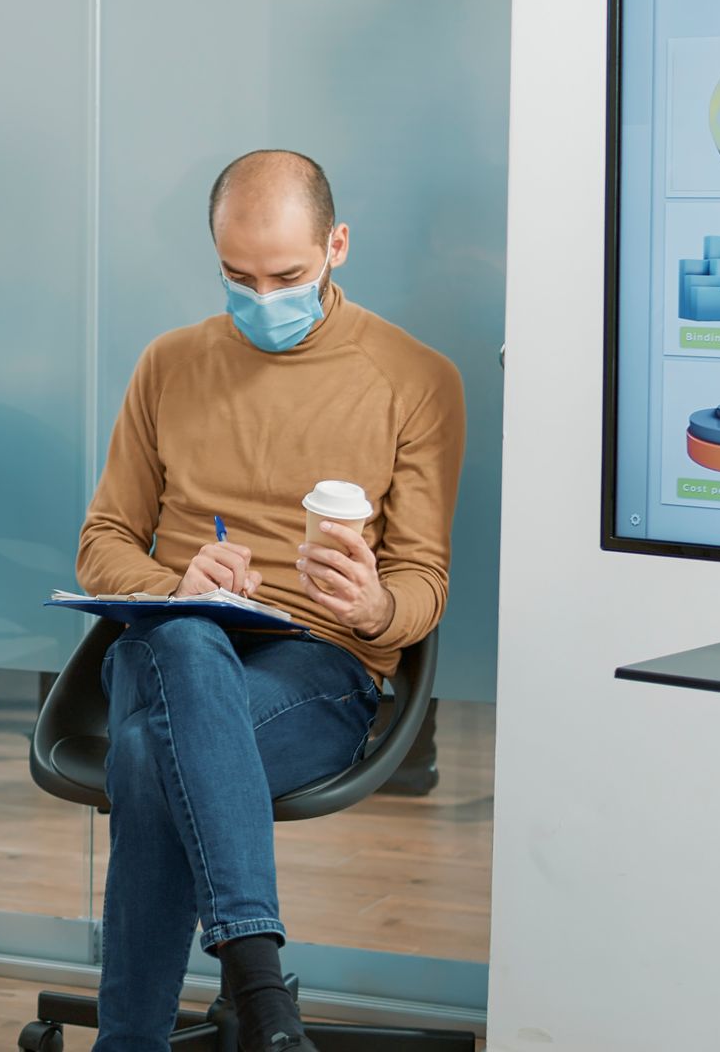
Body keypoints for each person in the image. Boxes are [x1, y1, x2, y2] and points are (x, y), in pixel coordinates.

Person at [76, 150, 466, 1052]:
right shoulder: (168, 365)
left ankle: (135, 1040)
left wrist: (372, 606)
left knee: (145, 755)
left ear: (336, 245)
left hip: (320, 667)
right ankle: (264, 999)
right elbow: (102, 545)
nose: (262, 297)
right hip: (170, 642)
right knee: (182, 643)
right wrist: (178, 585)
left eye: (286, 275)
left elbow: (424, 585)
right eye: (236, 277)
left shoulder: (415, 378)